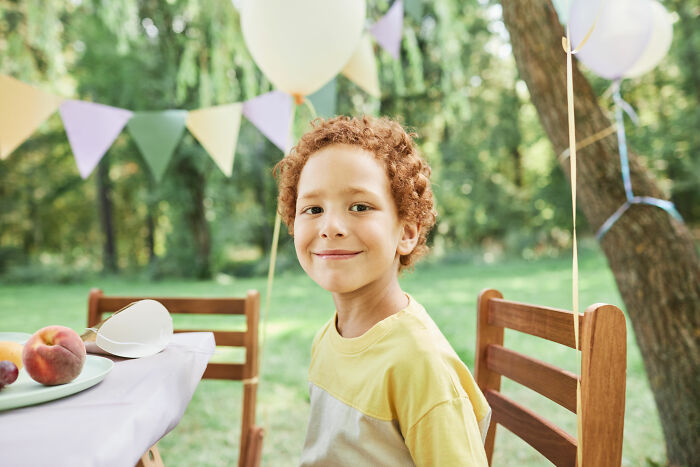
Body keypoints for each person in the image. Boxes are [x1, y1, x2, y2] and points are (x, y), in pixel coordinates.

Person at [273, 115, 490, 466]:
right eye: (313, 209)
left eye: (360, 206)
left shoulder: (420, 365)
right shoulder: (327, 338)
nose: (331, 227)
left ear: (406, 232)